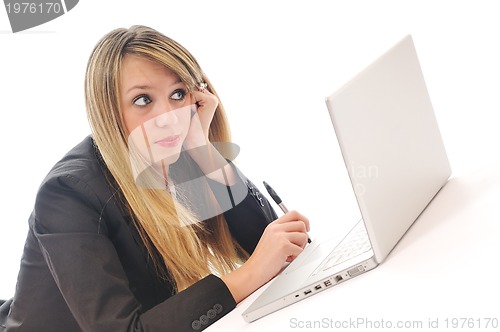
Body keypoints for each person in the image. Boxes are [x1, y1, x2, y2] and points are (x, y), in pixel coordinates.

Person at [2, 25, 310, 332]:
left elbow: (271, 247)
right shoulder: (68, 194)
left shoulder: (170, 155)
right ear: (109, 112)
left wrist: (202, 150)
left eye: (178, 94)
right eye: (142, 100)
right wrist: (251, 273)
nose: (169, 118)